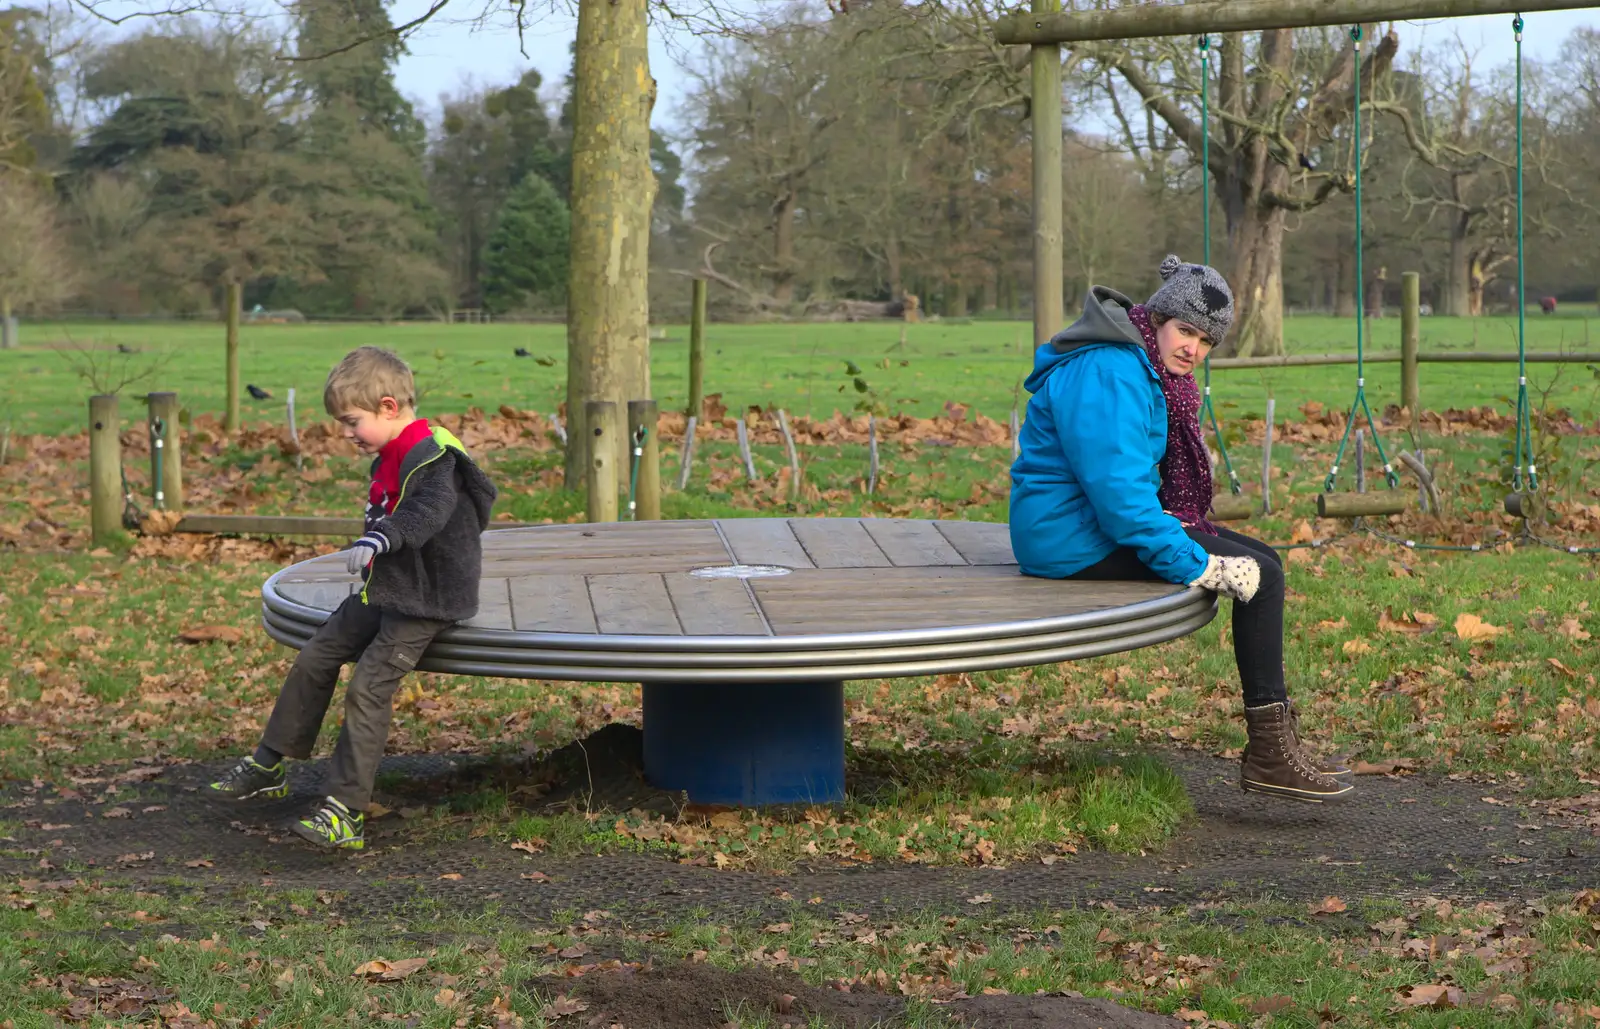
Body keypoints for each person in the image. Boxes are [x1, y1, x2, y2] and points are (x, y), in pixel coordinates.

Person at [1010, 256, 1352, 804]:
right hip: (1070, 541)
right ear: (1158, 317)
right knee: (1258, 576)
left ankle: (1275, 744)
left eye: (1206, 341)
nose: (1193, 349)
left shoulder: (1138, 362)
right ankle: (1269, 755)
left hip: (1085, 526)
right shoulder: (1111, 370)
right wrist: (1200, 565)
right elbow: (1121, 502)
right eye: (1186, 330)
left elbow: (1126, 494)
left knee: (1265, 561)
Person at [207, 346, 498, 847]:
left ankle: (345, 812)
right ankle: (268, 766)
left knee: (368, 688)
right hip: (388, 587)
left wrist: (381, 538)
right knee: (316, 657)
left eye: (351, 421)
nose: (346, 433)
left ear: (388, 407)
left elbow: (427, 511)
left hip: (427, 599)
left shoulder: (434, 457)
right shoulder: (391, 453)